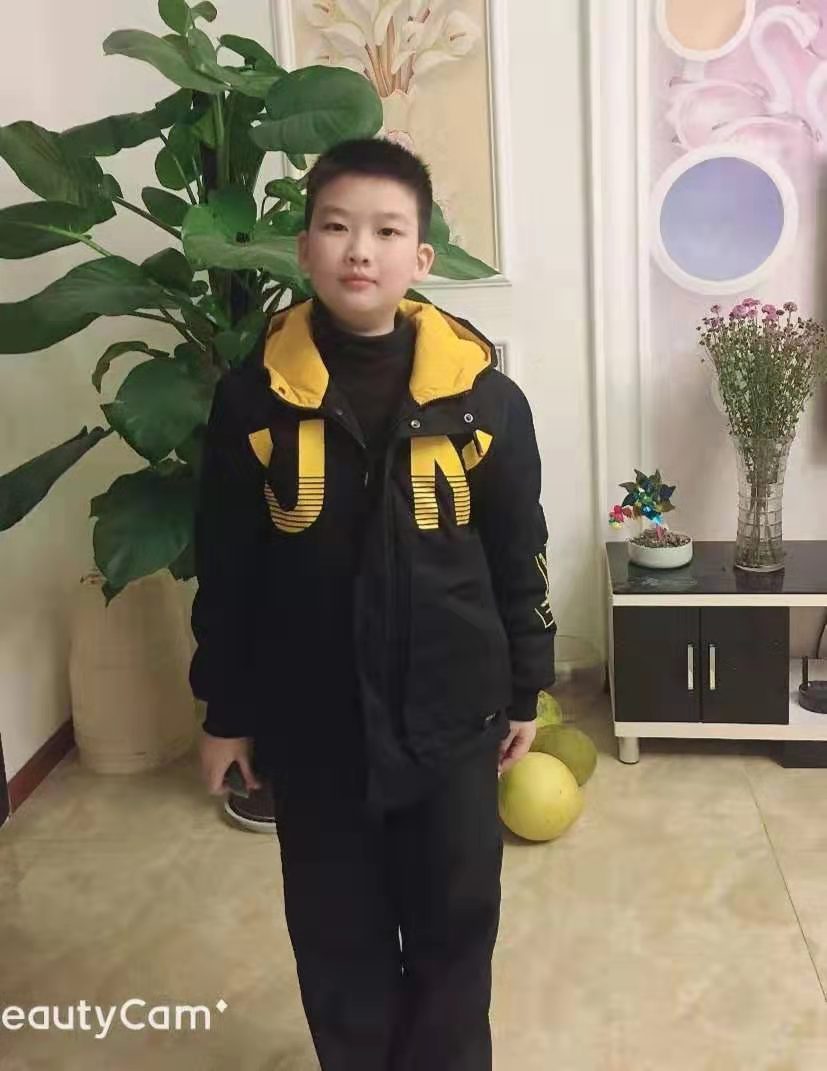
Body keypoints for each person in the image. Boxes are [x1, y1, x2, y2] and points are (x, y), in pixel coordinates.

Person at [190, 137, 556, 1071]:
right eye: (337, 226)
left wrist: (524, 687)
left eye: (387, 231)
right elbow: (227, 569)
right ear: (304, 247)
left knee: (454, 929)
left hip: (452, 715)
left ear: (420, 257)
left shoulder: (485, 402)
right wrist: (226, 712)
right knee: (336, 935)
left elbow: (518, 555)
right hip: (315, 724)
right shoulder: (251, 402)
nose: (361, 249)